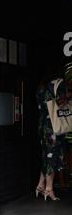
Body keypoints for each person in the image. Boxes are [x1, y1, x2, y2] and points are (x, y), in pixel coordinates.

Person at [35, 70, 67, 201]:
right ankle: (49, 189)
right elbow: (61, 103)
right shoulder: (59, 84)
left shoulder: (41, 87)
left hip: (43, 126)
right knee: (53, 157)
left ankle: (40, 186)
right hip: (54, 127)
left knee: (47, 156)